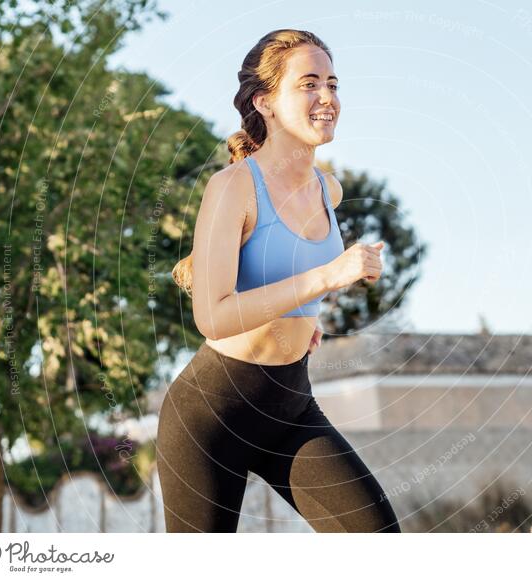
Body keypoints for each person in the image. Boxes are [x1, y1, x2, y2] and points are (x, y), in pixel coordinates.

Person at [156, 29, 401, 533]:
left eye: (333, 84)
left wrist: (301, 318)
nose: (327, 98)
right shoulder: (231, 188)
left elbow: (284, 274)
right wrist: (327, 277)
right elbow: (213, 316)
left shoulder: (327, 189)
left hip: (291, 407)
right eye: (309, 84)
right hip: (209, 416)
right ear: (264, 101)